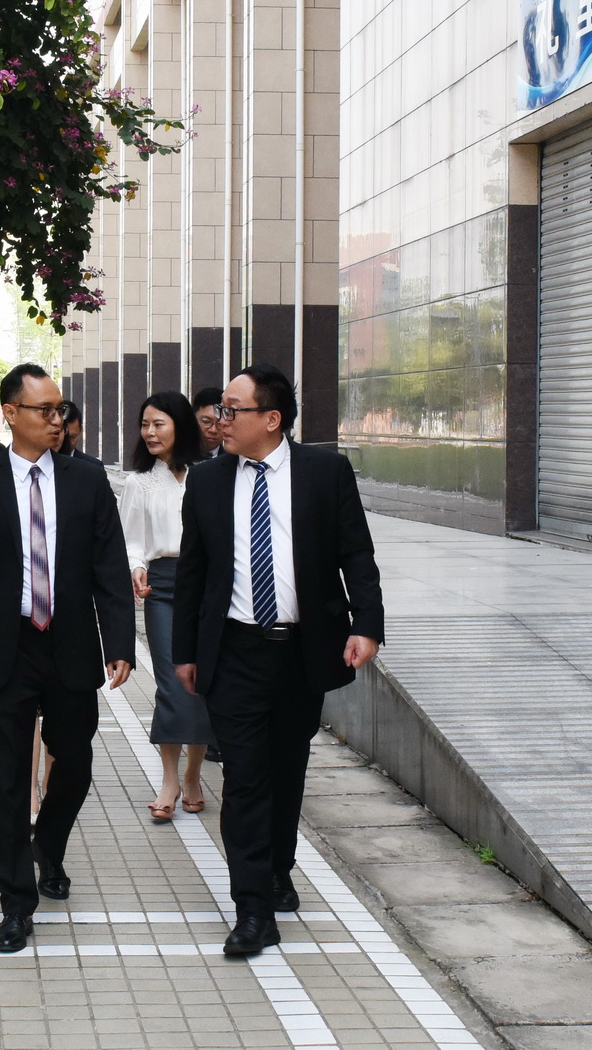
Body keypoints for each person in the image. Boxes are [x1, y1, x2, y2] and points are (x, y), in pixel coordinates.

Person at [173, 364, 384, 957]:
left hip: (301, 650)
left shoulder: (325, 472)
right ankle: (252, 910)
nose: (220, 419)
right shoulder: (208, 481)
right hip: (234, 650)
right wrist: (184, 652)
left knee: (287, 770)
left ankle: (276, 870)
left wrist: (367, 624)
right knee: (243, 778)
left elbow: (356, 553)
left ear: (271, 418)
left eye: (232, 409)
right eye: (220, 408)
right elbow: (193, 573)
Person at [0, 363, 134, 953]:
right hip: (4, 646)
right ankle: (16, 902)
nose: (57, 419)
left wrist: (120, 643)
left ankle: (48, 842)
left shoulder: (87, 479)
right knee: (8, 775)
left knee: (76, 760)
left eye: (60, 409)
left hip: (69, 643)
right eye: (44, 410)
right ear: (11, 414)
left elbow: (109, 565)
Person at [119, 391, 211, 822]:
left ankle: (193, 775)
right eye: (145, 425)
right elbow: (131, 539)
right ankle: (170, 780)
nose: (150, 432)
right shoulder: (139, 482)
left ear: (179, 425)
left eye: (158, 424)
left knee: (202, 682)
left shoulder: (208, 475)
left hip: (207, 589)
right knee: (172, 684)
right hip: (162, 588)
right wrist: (137, 567)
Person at [56, 401, 102, 466]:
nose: (66, 442)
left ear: (81, 430)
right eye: (59, 434)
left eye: (72, 437)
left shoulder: (94, 466)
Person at [192, 387, 225, 457]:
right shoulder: (173, 457)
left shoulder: (234, 461)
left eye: (220, 424)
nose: (213, 430)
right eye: (206, 422)